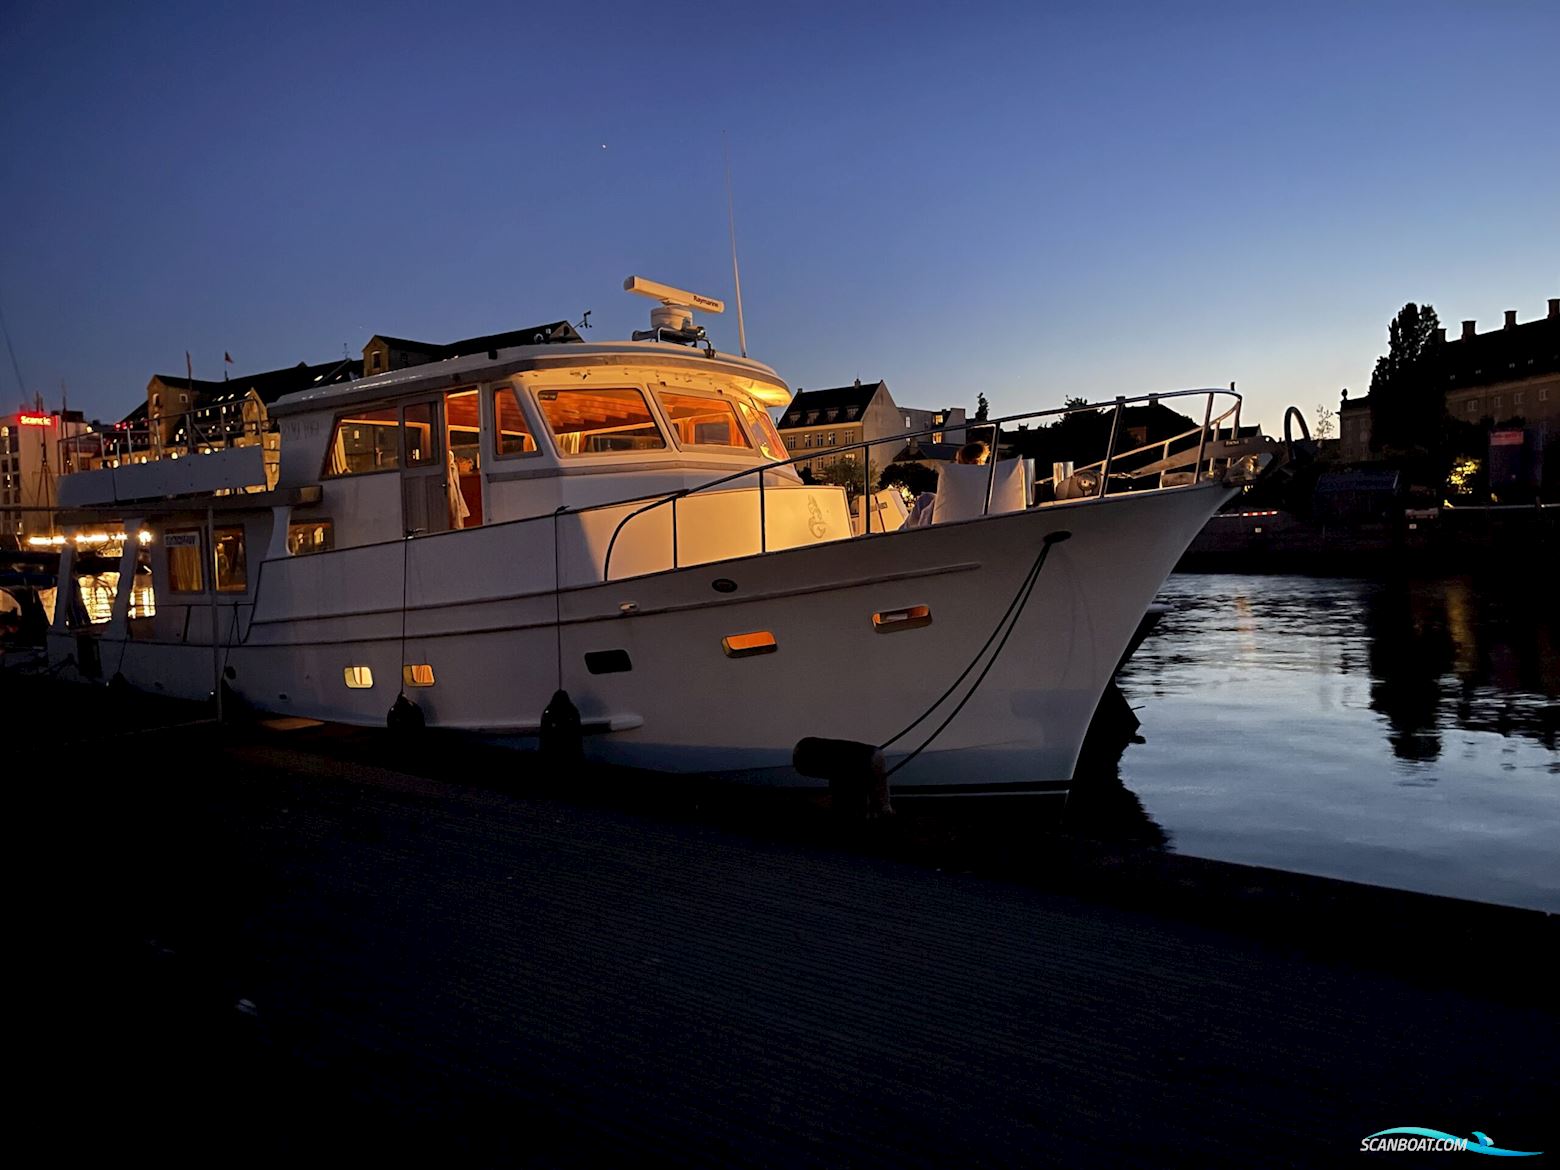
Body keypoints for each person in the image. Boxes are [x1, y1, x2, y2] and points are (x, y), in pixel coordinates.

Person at [905, 440, 992, 527]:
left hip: (948, 514)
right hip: (967, 509)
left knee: (924, 500)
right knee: (926, 498)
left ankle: (898, 535)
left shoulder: (958, 479)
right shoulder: (989, 479)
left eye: (957, 461)